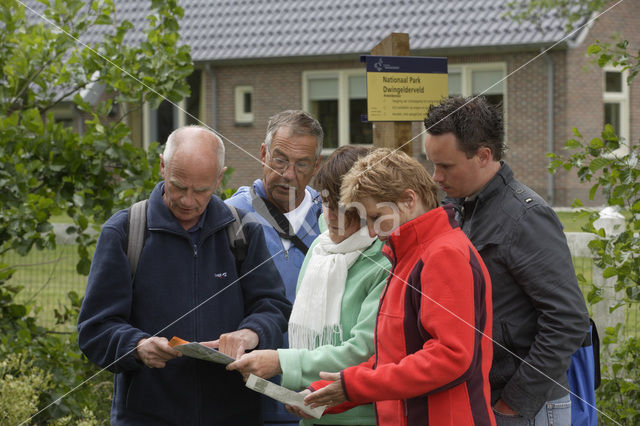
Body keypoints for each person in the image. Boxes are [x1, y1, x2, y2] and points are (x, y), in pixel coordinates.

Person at [77, 126, 291, 425]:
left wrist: (251, 332)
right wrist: (136, 347)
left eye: (201, 191)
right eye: (178, 186)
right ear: (163, 166)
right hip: (147, 416)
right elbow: (95, 328)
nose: (187, 201)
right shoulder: (125, 232)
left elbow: (273, 306)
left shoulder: (242, 231)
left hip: (234, 413)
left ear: (220, 178)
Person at [423, 96, 590, 425]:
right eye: (432, 164)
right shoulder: (461, 208)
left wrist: (513, 404)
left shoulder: (526, 217)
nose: (435, 177)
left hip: (525, 407)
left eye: (446, 166)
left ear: (483, 156)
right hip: (485, 397)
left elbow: (568, 319)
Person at [305, 148, 495, 426]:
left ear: (408, 199)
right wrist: (325, 393)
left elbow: (452, 357)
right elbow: (394, 356)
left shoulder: (443, 255)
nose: (371, 231)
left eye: (375, 217)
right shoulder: (409, 256)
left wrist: (355, 385)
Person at [228, 146, 390, 425]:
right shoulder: (320, 247)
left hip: (362, 417)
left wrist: (282, 362)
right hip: (313, 414)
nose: (333, 216)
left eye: (348, 209)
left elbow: (364, 350)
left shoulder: (384, 262)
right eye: (327, 204)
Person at [226, 110, 324, 425]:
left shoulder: (333, 223)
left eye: (302, 164)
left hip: (314, 401)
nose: (288, 174)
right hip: (244, 403)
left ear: (317, 166)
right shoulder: (228, 219)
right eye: (279, 160)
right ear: (263, 154)